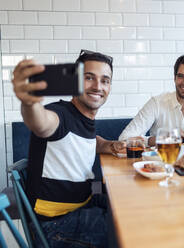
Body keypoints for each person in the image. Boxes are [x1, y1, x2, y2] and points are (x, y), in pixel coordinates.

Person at [11, 49, 124, 247]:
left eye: (105, 80)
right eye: (89, 78)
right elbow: (42, 123)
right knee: (128, 233)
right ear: (75, 82)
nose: (98, 86)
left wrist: (107, 145)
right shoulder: (59, 114)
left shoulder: (81, 118)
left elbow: (83, 140)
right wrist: (29, 103)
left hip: (82, 206)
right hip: (55, 225)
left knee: (128, 208)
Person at [119, 53, 184, 146]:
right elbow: (124, 138)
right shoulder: (156, 103)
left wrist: (177, 137)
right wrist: (161, 138)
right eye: (180, 76)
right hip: (160, 162)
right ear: (174, 78)